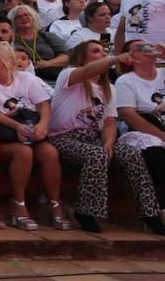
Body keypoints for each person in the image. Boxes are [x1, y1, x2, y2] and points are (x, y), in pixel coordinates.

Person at [48, 42, 145, 233]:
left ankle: (150, 213)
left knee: (131, 153)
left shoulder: (110, 89)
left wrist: (108, 142)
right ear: (82, 57)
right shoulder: (68, 74)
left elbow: (109, 122)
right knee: (97, 155)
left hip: (93, 139)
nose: (102, 54)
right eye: (96, 51)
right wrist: (116, 58)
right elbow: (87, 71)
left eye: (103, 51)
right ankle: (86, 212)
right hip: (63, 138)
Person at [0, 44, 64, 230]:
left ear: (10, 63)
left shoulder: (27, 78)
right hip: (0, 135)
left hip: (29, 130)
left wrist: (43, 126)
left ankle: (54, 204)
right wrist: (17, 126)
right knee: (23, 152)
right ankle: (18, 205)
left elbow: (43, 105)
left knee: (49, 152)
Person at [109, 42, 165, 234]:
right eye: (140, 48)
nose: (148, 49)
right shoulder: (126, 81)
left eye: (148, 46)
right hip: (144, 131)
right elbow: (129, 114)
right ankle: (161, 210)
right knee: (156, 155)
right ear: (131, 58)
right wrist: (162, 136)